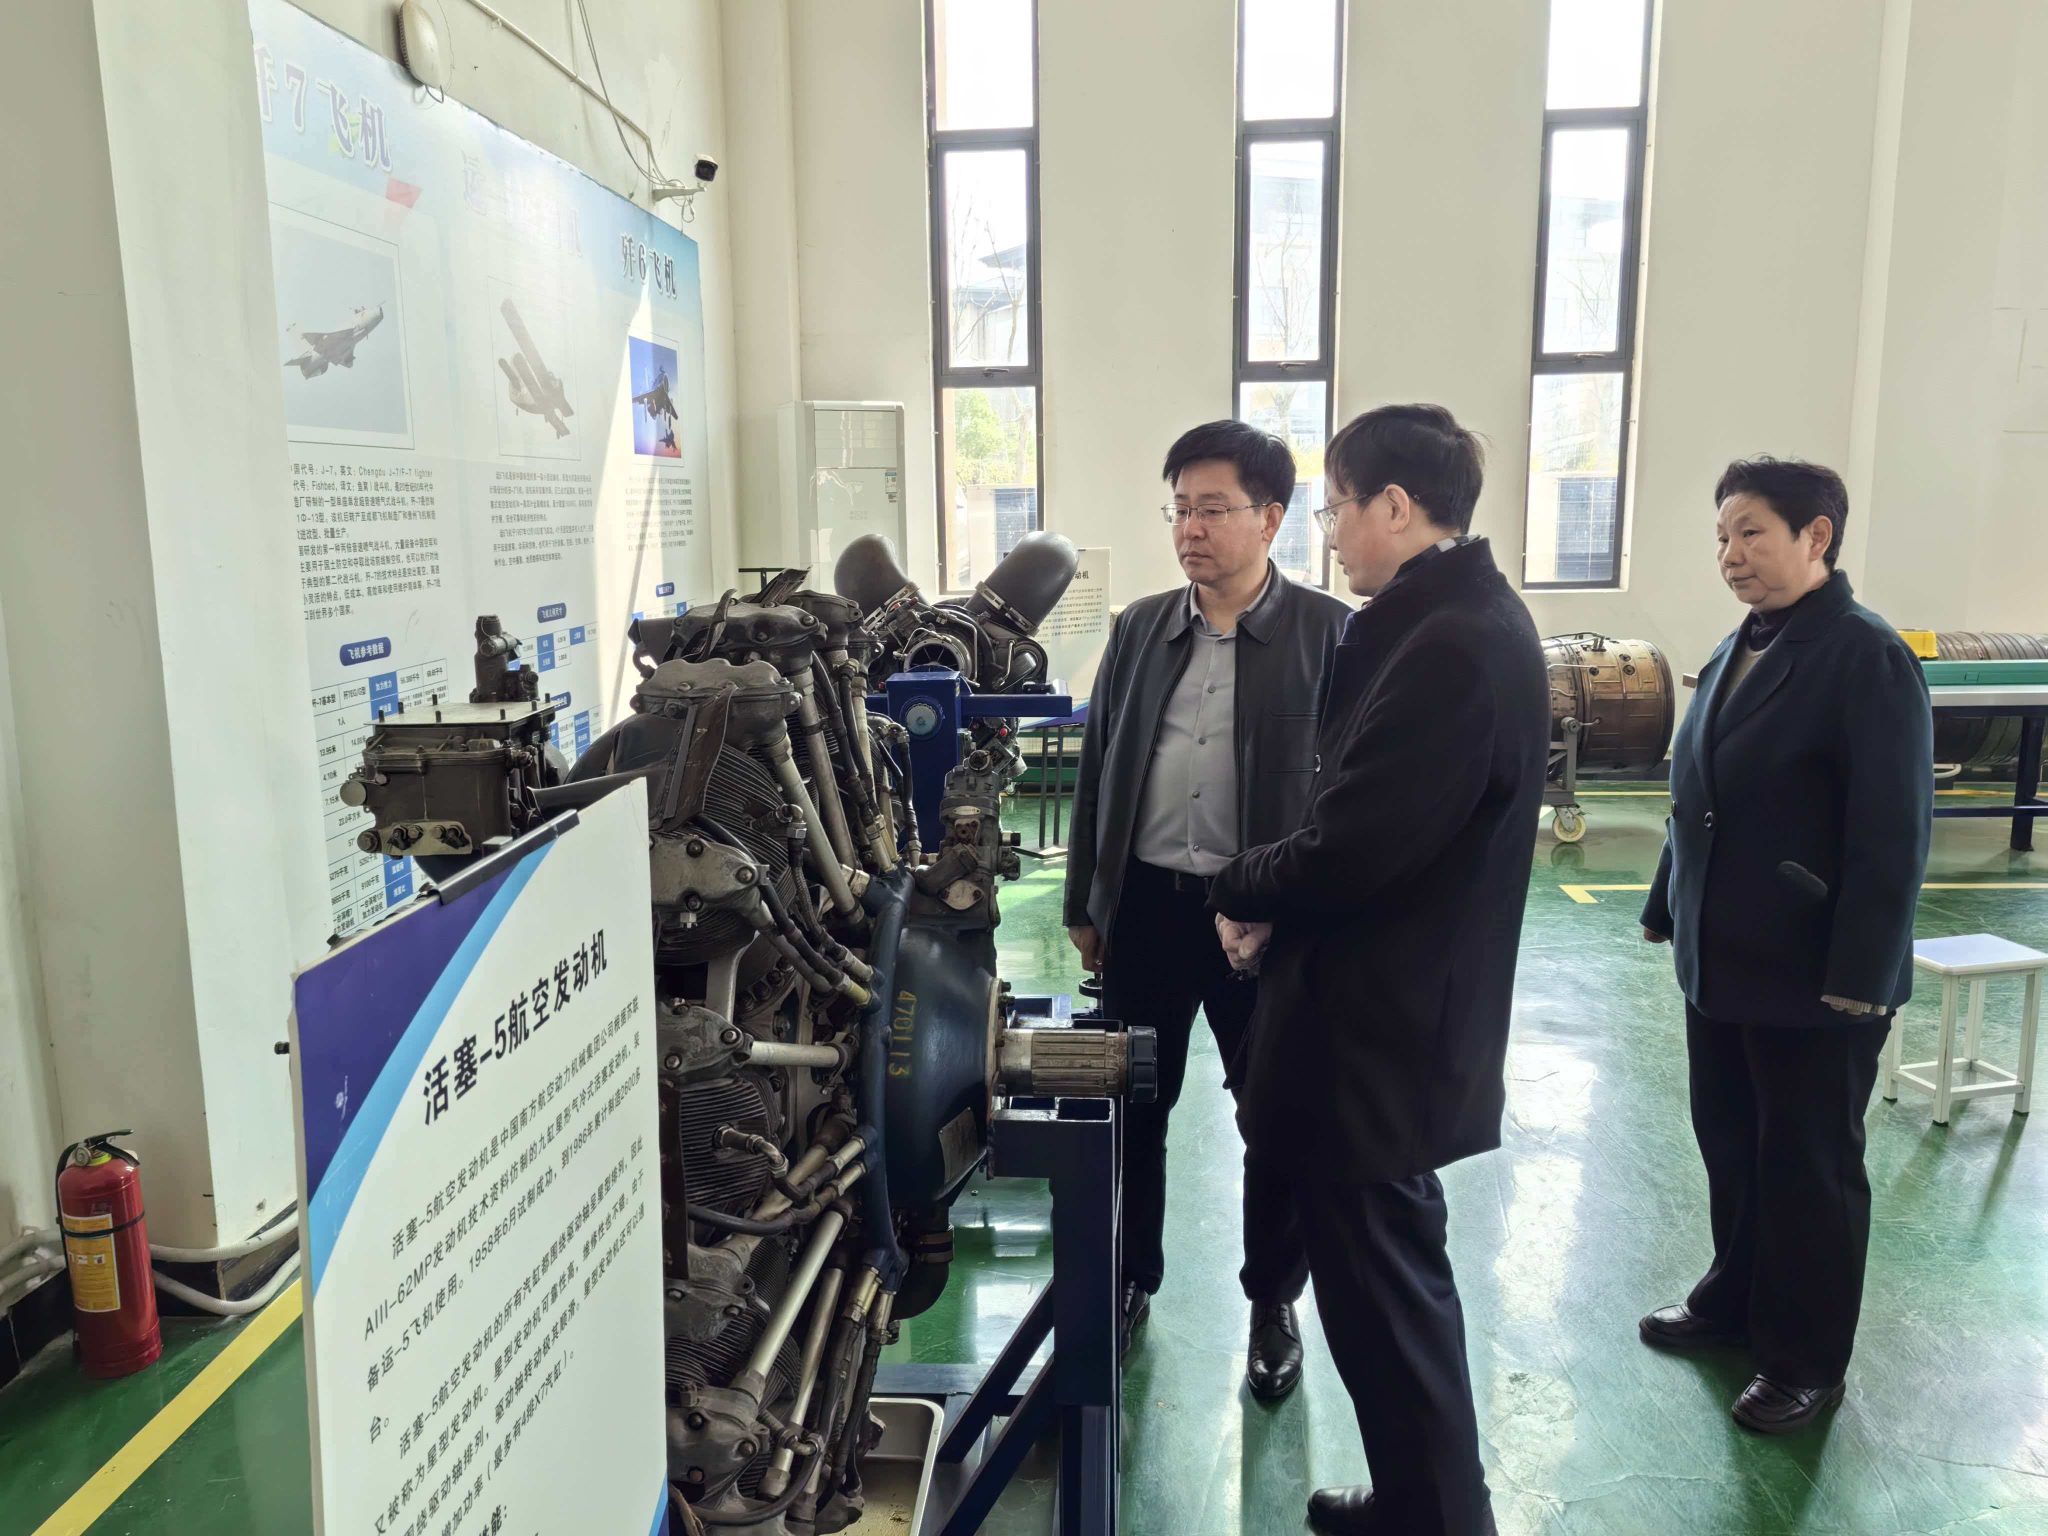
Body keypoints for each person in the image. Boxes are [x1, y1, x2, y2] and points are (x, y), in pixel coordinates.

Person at [1211, 404, 1547, 1536]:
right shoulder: (1446, 621)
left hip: (1379, 1040)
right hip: (1384, 1023)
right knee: (1381, 1301)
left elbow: (1353, 844)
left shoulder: (1451, 645)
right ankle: (1417, 1502)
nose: (1333, 532)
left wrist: (1239, 886)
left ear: (1395, 508)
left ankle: (1440, 1518)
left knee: (1391, 1309)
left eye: (1337, 508)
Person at [1637, 459, 1932, 1433]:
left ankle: (1806, 1359)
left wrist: (1860, 978)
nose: (1730, 555)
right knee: (1731, 1143)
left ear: (1817, 536)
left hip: (1813, 975)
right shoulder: (1738, 647)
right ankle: (1734, 1299)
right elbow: (1699, 794)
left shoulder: (1865, 656)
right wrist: (1665, 902)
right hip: (1721, 960)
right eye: (1721, 536)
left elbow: (1891, 831)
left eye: (1750, 532)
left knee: (1808, 1166)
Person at [1064, 419, 1349, 1398]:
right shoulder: (1141, 628)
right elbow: (1099, 767)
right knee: (1132, 1104)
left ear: (1270, 518)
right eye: (1179, 509)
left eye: (1212, 509)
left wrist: (1304, 916)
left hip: (1263, 923)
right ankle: (1129, 1278)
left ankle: (1272, 1302)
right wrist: (1086, 901)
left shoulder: (1328, 635)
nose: (1190, 528)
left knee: (1274, 1116)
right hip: (1146, 906)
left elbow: (1346, 798)